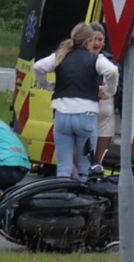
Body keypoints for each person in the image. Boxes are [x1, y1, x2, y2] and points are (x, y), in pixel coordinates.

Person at [33, 22, 119, 181]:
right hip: (85, 115)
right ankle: (82, 199)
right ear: (88, 41)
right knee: (84, 166)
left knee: (64, 166)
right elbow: (112, 71)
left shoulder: (60, 55)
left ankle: (63, 197)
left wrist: (48, 85)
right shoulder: (95, 58)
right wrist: (109, 91)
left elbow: (38, 67)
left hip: (61, 115)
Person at [87, 22, 117, 166]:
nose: (96, 43)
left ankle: (95, 179)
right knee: (84, 155)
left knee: (99, 159)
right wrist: (94, 89)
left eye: (100, 39)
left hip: (106, 114)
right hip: (87, 112)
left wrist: (112, 91)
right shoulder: (81, 59)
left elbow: (119, 84)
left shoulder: (111, 61)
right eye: (93, 39)